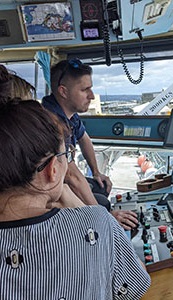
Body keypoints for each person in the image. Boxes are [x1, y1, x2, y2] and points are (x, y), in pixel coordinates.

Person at [0, 98, 151, 299]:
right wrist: (81, 208)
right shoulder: (97, 222)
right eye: (67, 155)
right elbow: (136, 282)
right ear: (52, 169)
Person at [39, 59, 138, 230]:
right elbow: (71, 175)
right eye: (85, 90)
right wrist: (105, 217)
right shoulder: (50, 122)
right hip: (49, 194)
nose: (92, 96)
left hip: (62, 184)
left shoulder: (68, 115)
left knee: (100, 187)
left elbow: (84, 139)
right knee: (102, 202)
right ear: (63, 91)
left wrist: (96, 172)